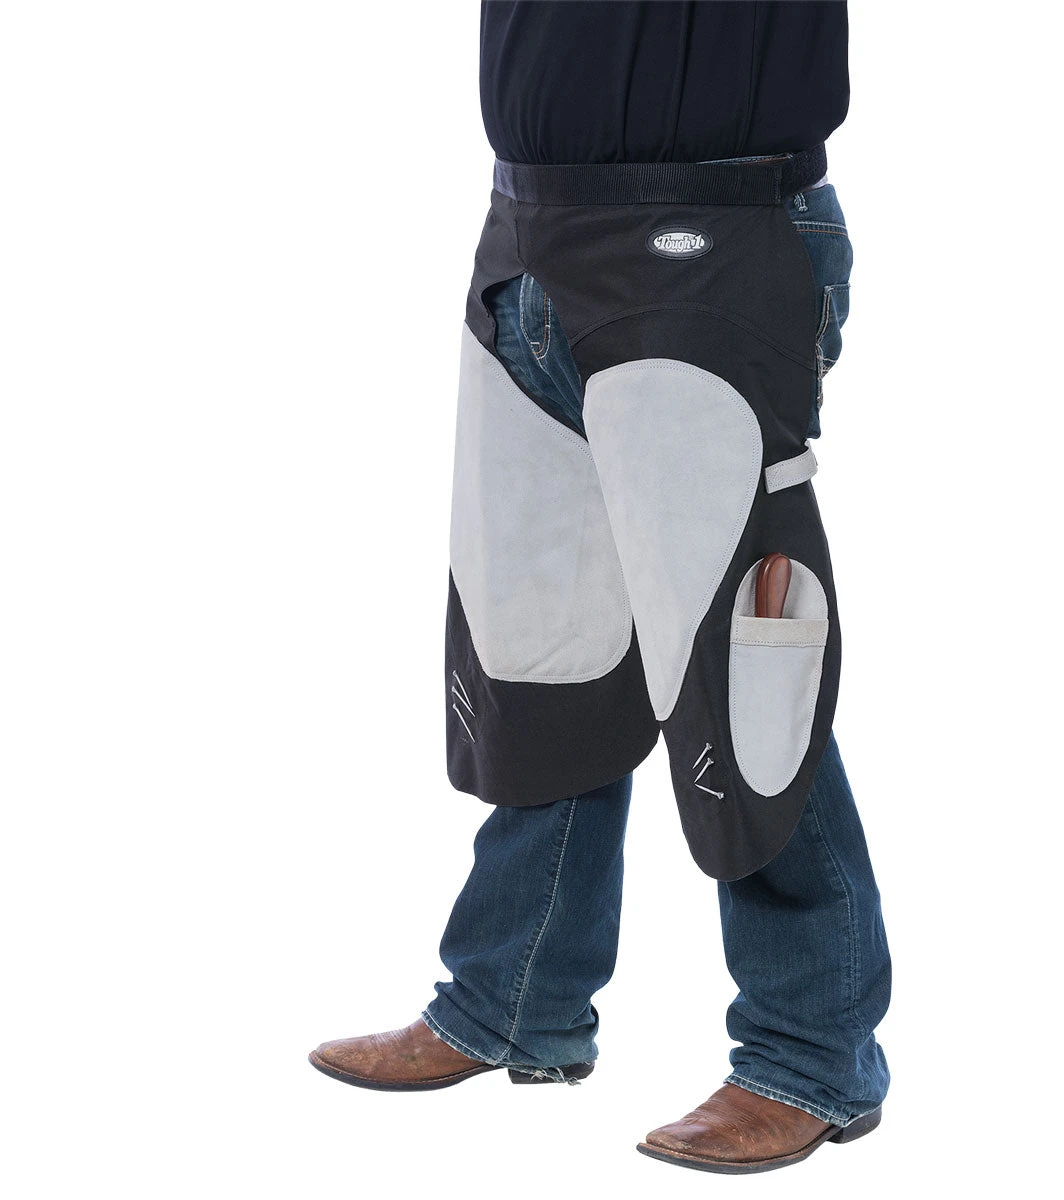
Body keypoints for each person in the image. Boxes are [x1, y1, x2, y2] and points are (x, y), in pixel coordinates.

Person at [310, 0, 891, 1175]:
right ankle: (511, 996)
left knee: (738, 673)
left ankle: (809, 1054)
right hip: (528, 232)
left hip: (715, 231)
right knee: (539, 648)